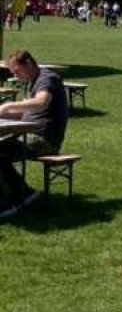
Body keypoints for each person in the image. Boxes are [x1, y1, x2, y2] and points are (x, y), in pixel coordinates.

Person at [0, 51, 69, 215]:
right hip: (30, 135)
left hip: (44, 140)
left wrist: (8, 106)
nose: (16, 76)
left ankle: (16, 196)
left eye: (17, 71)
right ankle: (18, 192)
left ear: (29, 63)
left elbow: (41, 103)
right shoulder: (34, 80)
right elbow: (26, 114)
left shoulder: (47, 78)